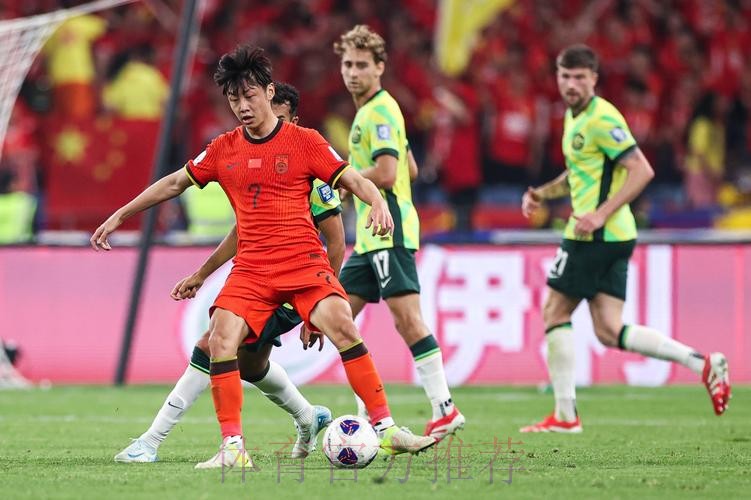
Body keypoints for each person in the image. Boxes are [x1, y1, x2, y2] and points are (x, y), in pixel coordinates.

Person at [92, 44, 436, 468]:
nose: (242, 106)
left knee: (342, 325)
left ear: (270, 92)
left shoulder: (306, 142)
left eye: (250, 96)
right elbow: (174, 183)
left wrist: (378, 202)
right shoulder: (223, 149)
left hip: (303, 263)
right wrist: (121, 214)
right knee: (221, 339)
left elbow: (351, 180)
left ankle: (386, 429)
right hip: (252, 270)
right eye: (233, 98)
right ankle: (233, 448)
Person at [114, 83, 341, 464]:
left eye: (280, 119)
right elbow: (241, 232)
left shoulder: (313, 178)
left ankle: (151, 442)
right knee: (251, 366)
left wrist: (318, 305)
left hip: (296, 283)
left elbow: (335, 243)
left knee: (211, 344)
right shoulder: (250, 159)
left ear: (294, 120)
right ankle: (308, 416)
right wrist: (202, 273)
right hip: (258, 275)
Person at [519, 44, 731, 433]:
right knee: (609, 329)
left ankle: (565, 416)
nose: (571, 84)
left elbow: (641, 169)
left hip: (594, 235)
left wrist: (599, 214)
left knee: (554, 312)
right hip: (614, 235)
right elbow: (579, 172)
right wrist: (542, 194)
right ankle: (702, 363)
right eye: (565, 76)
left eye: (579, 77)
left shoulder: (602, 118)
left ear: (594, 79)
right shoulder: (574, 118)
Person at [333, 25, 464, 441]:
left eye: (362, 65)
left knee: (407, 319)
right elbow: (410, 167)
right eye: (347, 64)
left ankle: (444, 408)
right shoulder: (375, 112)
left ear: (380, 67)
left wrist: (345, 179)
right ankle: (371, 418)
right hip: (369, 237)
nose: (353, 72)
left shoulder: (380, 111)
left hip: (389, 229)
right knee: (337, 318)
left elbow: (389, 173)